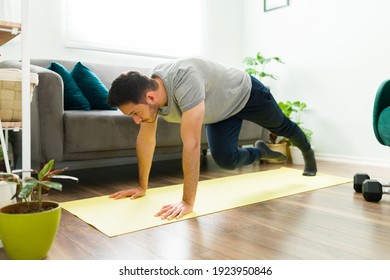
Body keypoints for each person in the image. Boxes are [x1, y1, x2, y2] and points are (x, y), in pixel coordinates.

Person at [108, 57, 317, 220]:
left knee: (282, 126)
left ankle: (307, 153)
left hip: (248, 94)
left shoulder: (184, 79)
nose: (136, 120)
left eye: (135, 113)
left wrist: (187, 202)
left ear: (150, 98)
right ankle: (262, 151)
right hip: (221, 113)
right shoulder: (147, 93)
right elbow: (145, 140)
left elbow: (191, 144)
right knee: (226, 160)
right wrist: (141, 187)